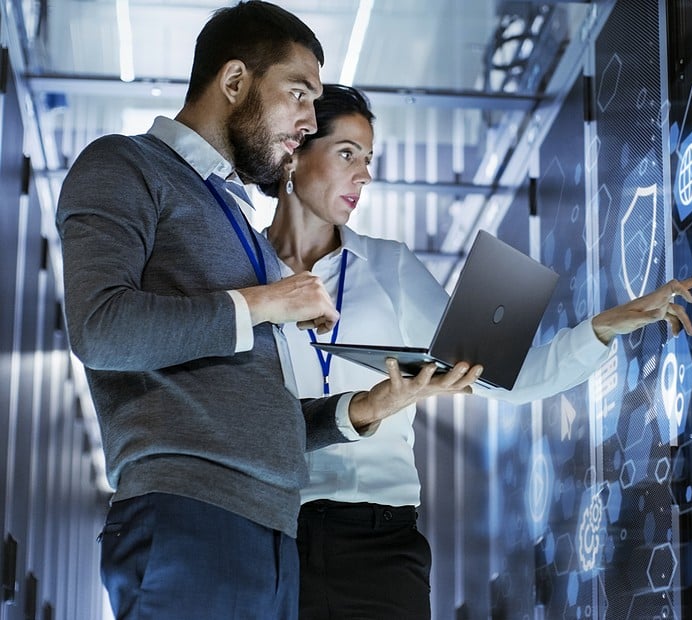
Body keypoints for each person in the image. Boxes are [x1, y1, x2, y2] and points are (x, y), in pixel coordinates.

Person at [55, 6, 481, 620]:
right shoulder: (124, 165)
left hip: (273, 533)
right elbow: (101, 328)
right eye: (298, 94)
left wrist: (367, 409)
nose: (308, 120)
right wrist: (266, 301)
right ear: (234, 83)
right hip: (189, 515)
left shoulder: (242, 229)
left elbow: (258, 411)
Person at [264, 84, 692, 619]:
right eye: (346, 154)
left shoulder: (390, 267)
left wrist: (605, 326)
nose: (364, 175)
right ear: (295, 152)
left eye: (368, 159)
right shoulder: (242, 273)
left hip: (380, 542)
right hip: (271, 533)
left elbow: (509, 379)